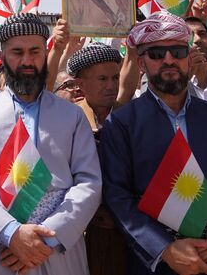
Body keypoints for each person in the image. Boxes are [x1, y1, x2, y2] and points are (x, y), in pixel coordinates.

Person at [100, 11, 207, 274]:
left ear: (189, 59)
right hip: (157, 265)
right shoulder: (121, 124)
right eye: (156, 54)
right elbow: (118, 197)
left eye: (177, 52)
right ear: (141, 64)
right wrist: (164, 248)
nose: (169, 60)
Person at [0, 13, 102, 274]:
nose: (26, 60)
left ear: (45, 53)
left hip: (57, 249)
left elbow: (89, 182)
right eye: (17, 52)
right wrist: (11, 234)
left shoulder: (72, 116)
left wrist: (45, 239)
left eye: (34, 51)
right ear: (3, 54)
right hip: (0, 251)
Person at [66, 42, 132, 274]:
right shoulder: (68, 120)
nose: (111, 86)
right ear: (81, 84)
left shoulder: (132, 118)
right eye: (102, 79)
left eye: (115, 78)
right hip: (81, 232)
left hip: (127, 231)